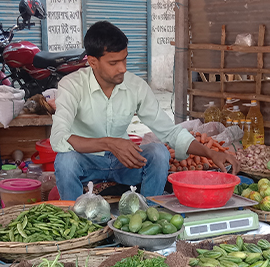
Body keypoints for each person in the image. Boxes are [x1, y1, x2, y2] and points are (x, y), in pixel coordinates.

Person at [50, 21, 239, 201]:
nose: (123, 68)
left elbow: (170, 132)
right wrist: (109, 143)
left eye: (124, 59)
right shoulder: (71, 85)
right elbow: (59, 137)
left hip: (125, 164)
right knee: (65, 161)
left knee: (158, 153)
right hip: (87, 164)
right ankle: (75, 220)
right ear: (92, 62)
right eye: (113, 63)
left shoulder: (135, 86)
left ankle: (148, 212)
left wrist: (211, 153)